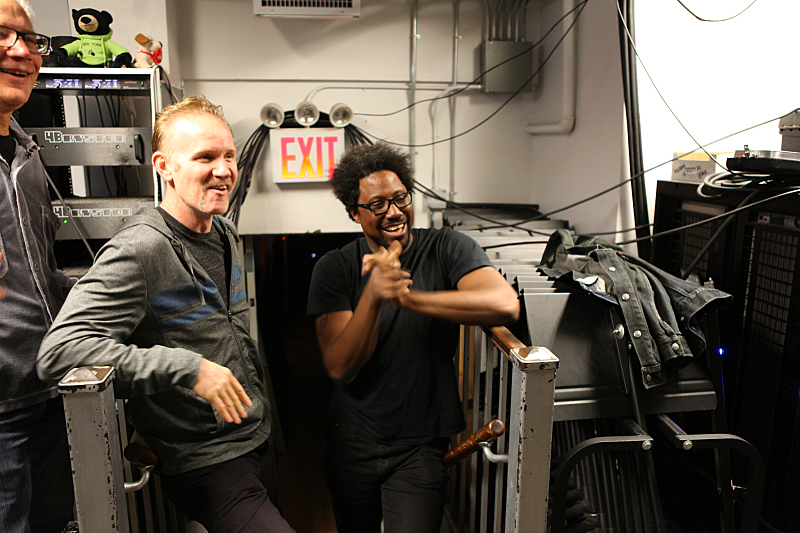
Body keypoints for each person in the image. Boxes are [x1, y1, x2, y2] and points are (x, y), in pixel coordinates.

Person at [37, 96, 296, 533]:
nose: (224, 170)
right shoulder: (141, 247)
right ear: (164, 166)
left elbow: (227, 333)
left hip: (255, 439)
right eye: (205, 157)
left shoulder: (225, 233)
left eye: (229, 155)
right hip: (206, 460)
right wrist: (186, 368)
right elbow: (59, 352)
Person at [307, 143, 520, 533]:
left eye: (400, 198)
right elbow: (341, 366)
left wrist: (409, 298)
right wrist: (373, 293)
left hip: (420, 445)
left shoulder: (447, 248)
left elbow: (505, 304)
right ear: (355, 213)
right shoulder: (334, 269)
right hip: (351, 440)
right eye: (377, 204)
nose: (393, 211)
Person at [0, 1, 76, 532]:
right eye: (2, 35)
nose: (21, 51)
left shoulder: (26, 155)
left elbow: (38, 273)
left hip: (48, 385)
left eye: (30, 40)